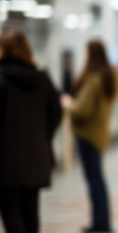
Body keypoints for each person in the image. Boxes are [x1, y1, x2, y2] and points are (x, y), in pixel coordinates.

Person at [0, 28, 62, 233]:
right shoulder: (42, 78)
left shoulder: (2, 78)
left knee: (10, 213)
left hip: (6, 160)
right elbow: (56, 112)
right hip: (36, 157)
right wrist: (43, 137)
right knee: (31, 212)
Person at [63, 39, 117, 233]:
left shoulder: (94, 80)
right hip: (98, 134)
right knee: (98, 179)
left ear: (91, 54)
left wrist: (68, 102)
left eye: (86, 51)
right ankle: (101, 221)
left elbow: (82, 110)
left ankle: (100, 223)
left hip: (88, 136)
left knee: (94, 181)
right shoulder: (107, 77)